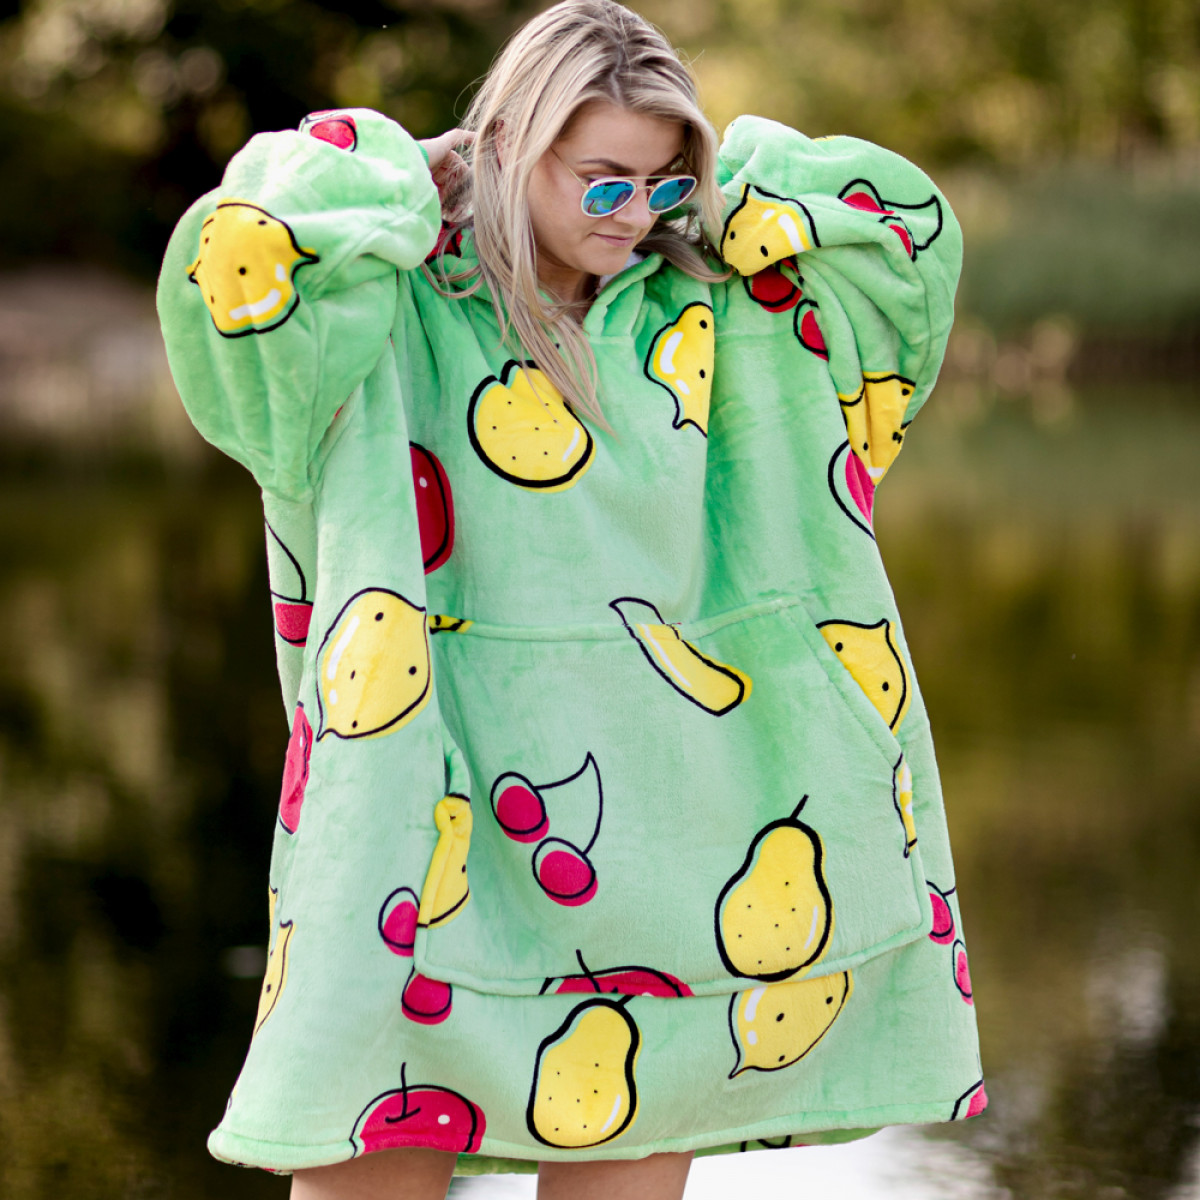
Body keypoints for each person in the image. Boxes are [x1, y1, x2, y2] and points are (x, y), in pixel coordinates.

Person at [157, 2, 985, 1197]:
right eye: (603, 179)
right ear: (507, 146)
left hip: (671, 841)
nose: (634, 214)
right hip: (421, 830)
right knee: (356, 1151)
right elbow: (251, 264)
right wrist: (412, 175)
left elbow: (900, 243)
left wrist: (728, 202)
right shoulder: (401, 304)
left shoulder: (708, 312)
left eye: (663, 181)